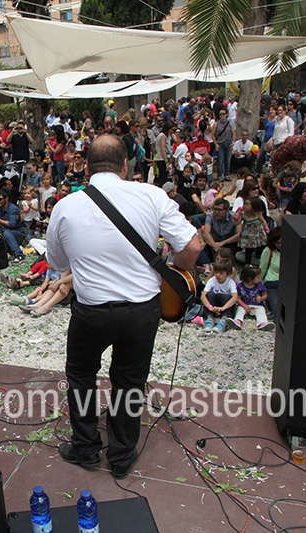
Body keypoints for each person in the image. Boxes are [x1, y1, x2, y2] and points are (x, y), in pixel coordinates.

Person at [46, 134, 202, 479]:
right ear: (125, 165)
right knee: (130, 381)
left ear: (87, 168)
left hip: (91, 311)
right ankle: (121, 456)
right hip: (142, 310)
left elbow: (56, 262)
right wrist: (175, 271)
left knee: (81, 376)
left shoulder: (66, 206)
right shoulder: (151, 195)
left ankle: (86, 447)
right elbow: (192, 246)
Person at [226, 264, 273, 332]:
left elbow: (265, 295)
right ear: (250, 278)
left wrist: (261, 298)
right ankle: (237, 321)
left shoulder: (259, 285)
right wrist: (243, 305)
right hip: (245, 304)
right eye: (258, 277)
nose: (260, 278)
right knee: (240, 310)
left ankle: (263, 323)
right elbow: (238, 298)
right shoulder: (240, 286)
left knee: (261, 311)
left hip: (258, 305)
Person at [200, 261, 239, 332]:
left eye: (221, 273)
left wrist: (223, 308)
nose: (218, 275)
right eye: (216, 272)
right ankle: (209, 318)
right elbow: (203, 296)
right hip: (213, 305)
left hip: (224, 305)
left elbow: (235, 297)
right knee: (210, 294)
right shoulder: (212, 280)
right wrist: (210, 307)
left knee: (227, 296)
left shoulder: (230, 282)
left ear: (227, 273)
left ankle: (224, 319)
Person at [259, 227, 281, 322]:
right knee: (277, 310)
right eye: (277, 243)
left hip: (288, 285)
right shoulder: (269, 251)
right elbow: (262, 270)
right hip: (272, 284)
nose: (280, 245)